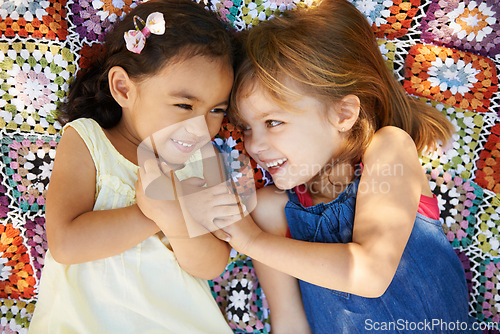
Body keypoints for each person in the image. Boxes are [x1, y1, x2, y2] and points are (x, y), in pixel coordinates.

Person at [217, 1, 479, 333]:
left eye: (273, 121)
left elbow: (370, 273)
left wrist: (252, 242)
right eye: (247, 128)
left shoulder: (389, 150)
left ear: (343, 114)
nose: (254, 145)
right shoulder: (271, 211)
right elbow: (291, 325)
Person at [29, 0, 238, 332]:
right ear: (123, 88)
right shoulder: (89, 141)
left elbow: (212, 264)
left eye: (217, 110)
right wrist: (155, 211)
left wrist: (173, 218)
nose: (201, 126)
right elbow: (66, 243)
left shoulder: (202, 160)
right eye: (184, 105)